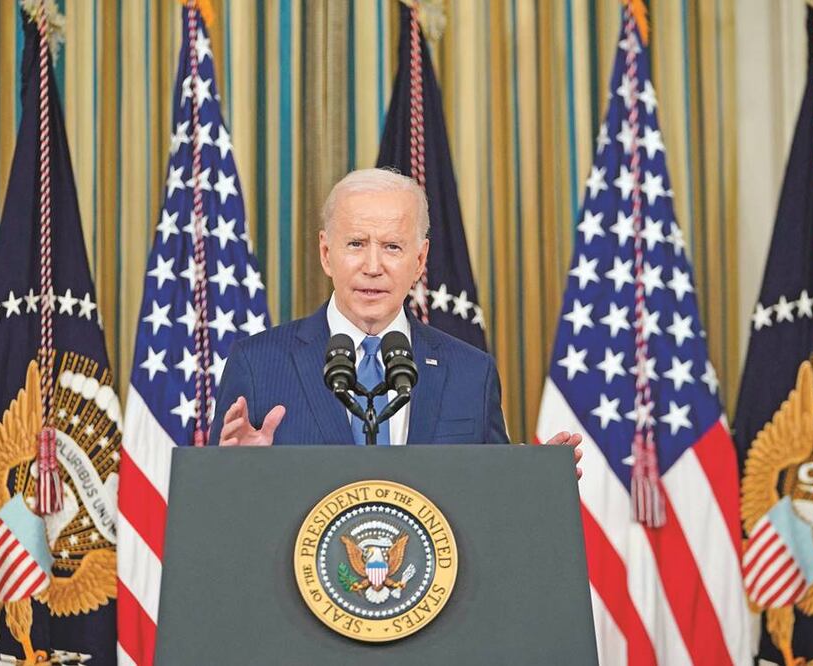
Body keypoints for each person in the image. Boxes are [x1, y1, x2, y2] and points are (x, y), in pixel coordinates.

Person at [209, 169, 581, 472]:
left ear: (419, 261)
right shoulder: (257, 364)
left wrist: (534, 483)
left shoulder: (471, 373)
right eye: (356, 244)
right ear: (326, 253)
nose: (373, 267)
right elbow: (215, 515)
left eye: (392, 247)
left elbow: (489, 508)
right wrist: (236, 475)